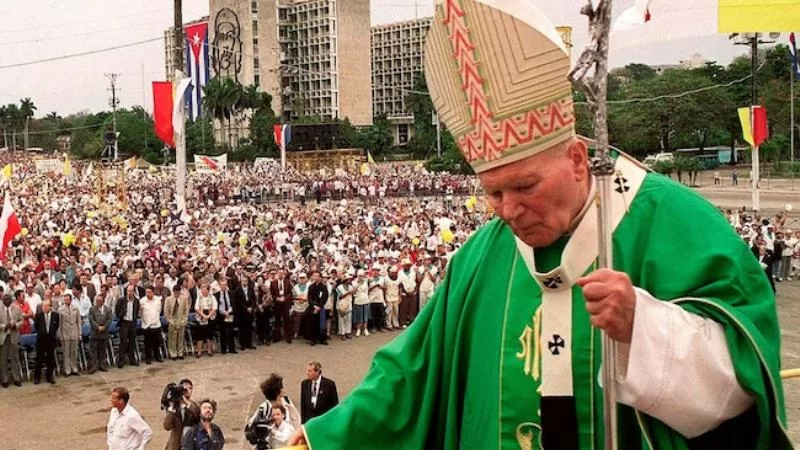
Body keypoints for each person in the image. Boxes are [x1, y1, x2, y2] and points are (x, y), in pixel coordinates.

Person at [289, 2, 789, 449]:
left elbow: (746, 376)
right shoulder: (481, 257)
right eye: (493, 192)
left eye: (524, 187)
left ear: (575, 159)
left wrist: (646, 327)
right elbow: (409, 374)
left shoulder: (670, 220)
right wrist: (321, 440)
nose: (508, 210)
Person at [164, 379, 201, 450]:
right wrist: (171, 406)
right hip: (175, 446)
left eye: (190, 388)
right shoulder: (174, 406)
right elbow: (167, 426)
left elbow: (197, 417)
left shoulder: (195, 405)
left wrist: (187, 403)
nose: (187, 390)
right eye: (185, 388)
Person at [0, 294, 24, 387]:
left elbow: (21, 321)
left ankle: (16, 378)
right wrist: (4, 326)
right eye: (4, 299)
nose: (6, 301)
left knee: (15, 358)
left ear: (11, 300)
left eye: (7, 299)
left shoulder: (17, 308)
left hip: (14, 336)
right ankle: (5, 379)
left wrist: (15, 325)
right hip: (3, 337)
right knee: (3, 359)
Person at [33, 300, 59, 384]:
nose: (44, 308)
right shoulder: (38, 315)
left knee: (50, 359)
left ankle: (50, 376)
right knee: (39, 359)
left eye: (46, 306)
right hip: (41, 340)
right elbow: (36, 326)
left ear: (50, 307)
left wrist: (51, 333)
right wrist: (42, 333)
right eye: (43, 306)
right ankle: (37, 377)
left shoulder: (56, 315)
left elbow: (56, 326)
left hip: (51, 339)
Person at [57, 292, 81, 376]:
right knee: (66, 352)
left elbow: (78, 322)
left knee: (73, 352)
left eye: (67, 299)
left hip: (74, 332)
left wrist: (79, 334)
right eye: (65, 299)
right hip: (65, 333)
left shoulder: (75, 308)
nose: (66, 301)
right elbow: (59, 324)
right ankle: (67, 370)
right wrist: (60, 335)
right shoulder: (60, 310)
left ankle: (74, 368)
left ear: (70, 300)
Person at [88, 294, 113, 373]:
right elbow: (91, 319)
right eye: (97, 301)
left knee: (103, 350)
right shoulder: (92, 309)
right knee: (93, 351)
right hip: (95, 333)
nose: (98, 302)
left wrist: (104, 327)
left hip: (104, 333)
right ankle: (93, 366)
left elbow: (109, 319)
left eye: (100, 301)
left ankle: (102, 365)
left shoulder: (108, 310)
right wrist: (98, 327)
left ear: (103, 301)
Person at [164, 285, 190, 360]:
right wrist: (169, 320)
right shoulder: (168, 299)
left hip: (181, 319)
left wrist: (184, 319)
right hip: (172, 320)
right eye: (175, 293)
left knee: (181, 337)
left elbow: (186, 310)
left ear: (180, 292)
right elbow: (166, 312)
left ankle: (180, 353)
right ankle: (173, 353)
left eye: (178, 293)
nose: (176, 295)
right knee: (172, 338)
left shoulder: (184, 299)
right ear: (173, 292)